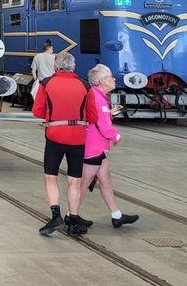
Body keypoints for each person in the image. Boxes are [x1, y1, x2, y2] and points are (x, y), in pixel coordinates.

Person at [32, 52, 98, 236]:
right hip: (78, 138)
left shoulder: (46, 84)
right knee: (74, 180)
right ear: (73, 67)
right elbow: (93, 117)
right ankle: (74, 221)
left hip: (54, 136)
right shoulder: (85, 86)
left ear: (55, 66)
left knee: (50, 177)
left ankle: (56, 216)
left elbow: (37, 111)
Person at [77, 64, 139, 229]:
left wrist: (109, 113)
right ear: (102, 81)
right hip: (93, 147)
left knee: (106, 180)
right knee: (85, 182)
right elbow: (103, 126)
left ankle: (116, 215)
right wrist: (116, 135)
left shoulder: (97, 95)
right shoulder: (97, 98)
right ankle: (72, 215)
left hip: (97, 146)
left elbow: (99, 117)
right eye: (110, 77)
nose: (114, 79)